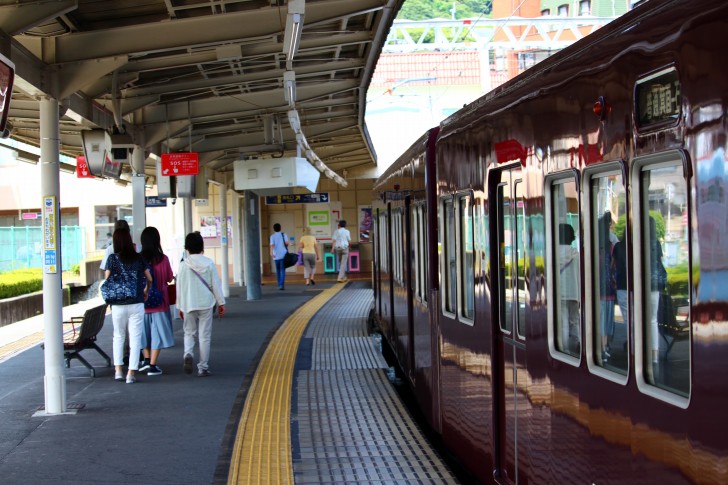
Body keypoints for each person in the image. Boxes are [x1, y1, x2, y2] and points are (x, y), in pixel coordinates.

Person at [104, 228, 152, 384]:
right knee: (135, 337)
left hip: (118, 305)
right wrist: (146, 290)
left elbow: (107, 280)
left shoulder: (112, 258)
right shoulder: (138, 258)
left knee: (118, 336)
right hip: (136, 302)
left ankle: (118, 370)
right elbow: (149, 278)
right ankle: (130, 373)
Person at [177, 232, 226, 377]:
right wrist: (221, 302)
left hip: (188, 303)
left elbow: (179, 287)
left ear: (187, 248)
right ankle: (202, 367)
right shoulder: (209, 263)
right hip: (206, 303)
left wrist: (179, 305)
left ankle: (188, 354)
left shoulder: (182, 265)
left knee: (189, 332)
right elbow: (216, 284)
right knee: (204, 336)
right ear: (201, 247)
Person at [139, 226, 175, 376]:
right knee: (157, 334)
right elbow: (168, 278)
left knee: (142, 334)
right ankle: (153, 365)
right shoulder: (163, 259)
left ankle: (146, 361)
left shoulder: (138, 259)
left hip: (142, 303)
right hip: (159, 302)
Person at [558, 223, 580, 354]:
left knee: (563, 322)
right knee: (575, 321)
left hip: (561, 293)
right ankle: (577, 343)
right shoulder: (576, 254)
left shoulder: (554, 253)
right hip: (575, 292)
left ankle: (565, 350)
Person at [598, 212, 616, 363]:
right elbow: (613, 268)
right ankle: (605, 347)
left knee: (597, 320)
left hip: (594, 290)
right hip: (608, 289)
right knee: (606, 321)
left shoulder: (588, 245)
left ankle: (600, 348)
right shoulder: (611, 245)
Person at [269, 223, 289, 290]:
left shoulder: (272, 236)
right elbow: (287, 243)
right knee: (282, 270)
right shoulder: (284, 235)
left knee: (277, 270)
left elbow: (272, 245)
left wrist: (271, 252)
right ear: (280, 228)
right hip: (283, 255)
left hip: (276, 255)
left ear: (274, 229)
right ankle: (281, 285)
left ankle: (279, 284)